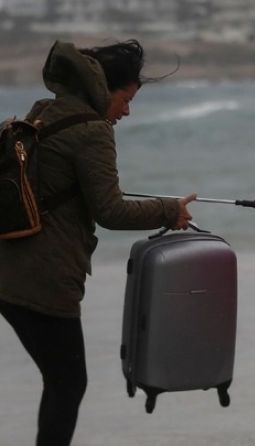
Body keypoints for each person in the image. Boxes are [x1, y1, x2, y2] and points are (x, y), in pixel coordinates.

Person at [0, 39, 195, 445]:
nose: (127, 110)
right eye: (126, 98)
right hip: (44, 280)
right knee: (68, 383)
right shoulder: (92, 131)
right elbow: (111, 212)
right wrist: (168, 210)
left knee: (59, 380)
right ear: (104, 88)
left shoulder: (45, 111)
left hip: (9, 270)